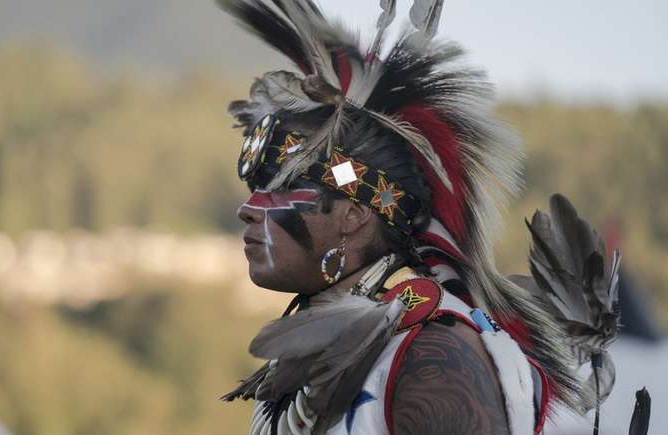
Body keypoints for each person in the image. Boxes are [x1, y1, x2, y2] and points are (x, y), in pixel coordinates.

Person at [217, 1, 601, 434]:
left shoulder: (434, 359)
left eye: (282, 189)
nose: (248, 209)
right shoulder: (332, 351)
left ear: (353, 216)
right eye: (255, 192)